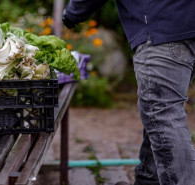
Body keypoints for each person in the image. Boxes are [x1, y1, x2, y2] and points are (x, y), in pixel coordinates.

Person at [62, 1, 195, 185]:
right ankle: (149, 180)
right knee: (161, 111)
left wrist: (72, 13)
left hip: (162, 25)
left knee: (162, 114)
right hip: (185, 21)